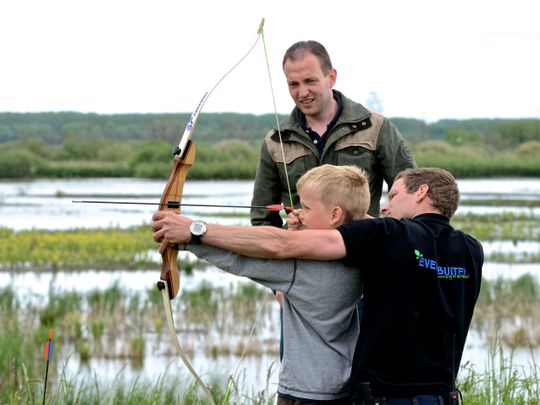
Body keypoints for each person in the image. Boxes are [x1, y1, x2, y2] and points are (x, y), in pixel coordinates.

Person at [152, 167, 483, 404]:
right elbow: (390, 239)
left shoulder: (389, 235)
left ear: (421, 192)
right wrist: (321, 218)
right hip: (443, 396)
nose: (385, 206)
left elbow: (281, 246)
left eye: (393, 195)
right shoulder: (471, 250)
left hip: (384, 396)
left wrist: (194, 231)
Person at [173, 165, 370, 404]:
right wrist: (301, 233)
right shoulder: (362, 257)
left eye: (307, 208)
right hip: (343, 386)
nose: (300, 213)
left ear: (334, 215)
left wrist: (185, 239)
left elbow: (240, 259)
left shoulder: (301, 266)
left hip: (303, 392)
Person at [250, 40, 416, 227]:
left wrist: (384, 234)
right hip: (299, 244)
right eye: (293, 84)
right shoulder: (275, 141)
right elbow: (262, 218)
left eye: (310, 81)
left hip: (361, 244)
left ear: (331, 77)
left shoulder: (376, 127)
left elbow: (412, 197)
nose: (302, 92)